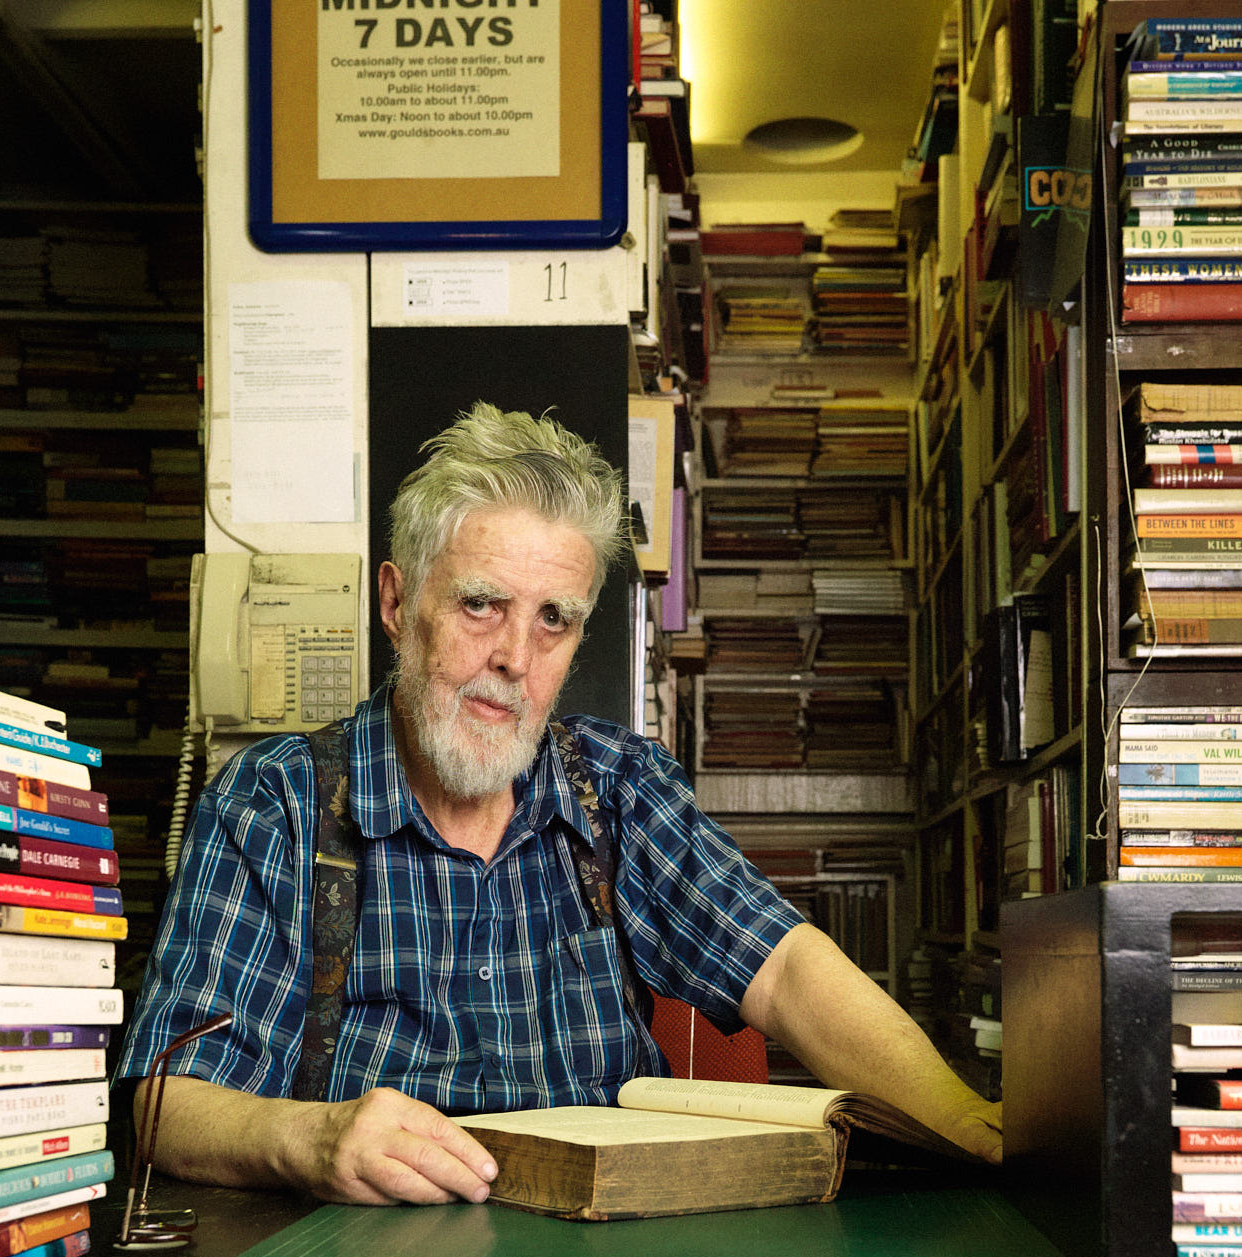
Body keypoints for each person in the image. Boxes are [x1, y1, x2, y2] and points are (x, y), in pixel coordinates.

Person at [122, 404, 1003, 1201]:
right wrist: (308, 1140)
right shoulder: (273, 805)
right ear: (396, 602)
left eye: (554, 619)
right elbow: (162, 1103)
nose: (515, 655)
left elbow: (787, 970)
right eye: (480, 604)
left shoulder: (618, 788)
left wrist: (971, 1130)